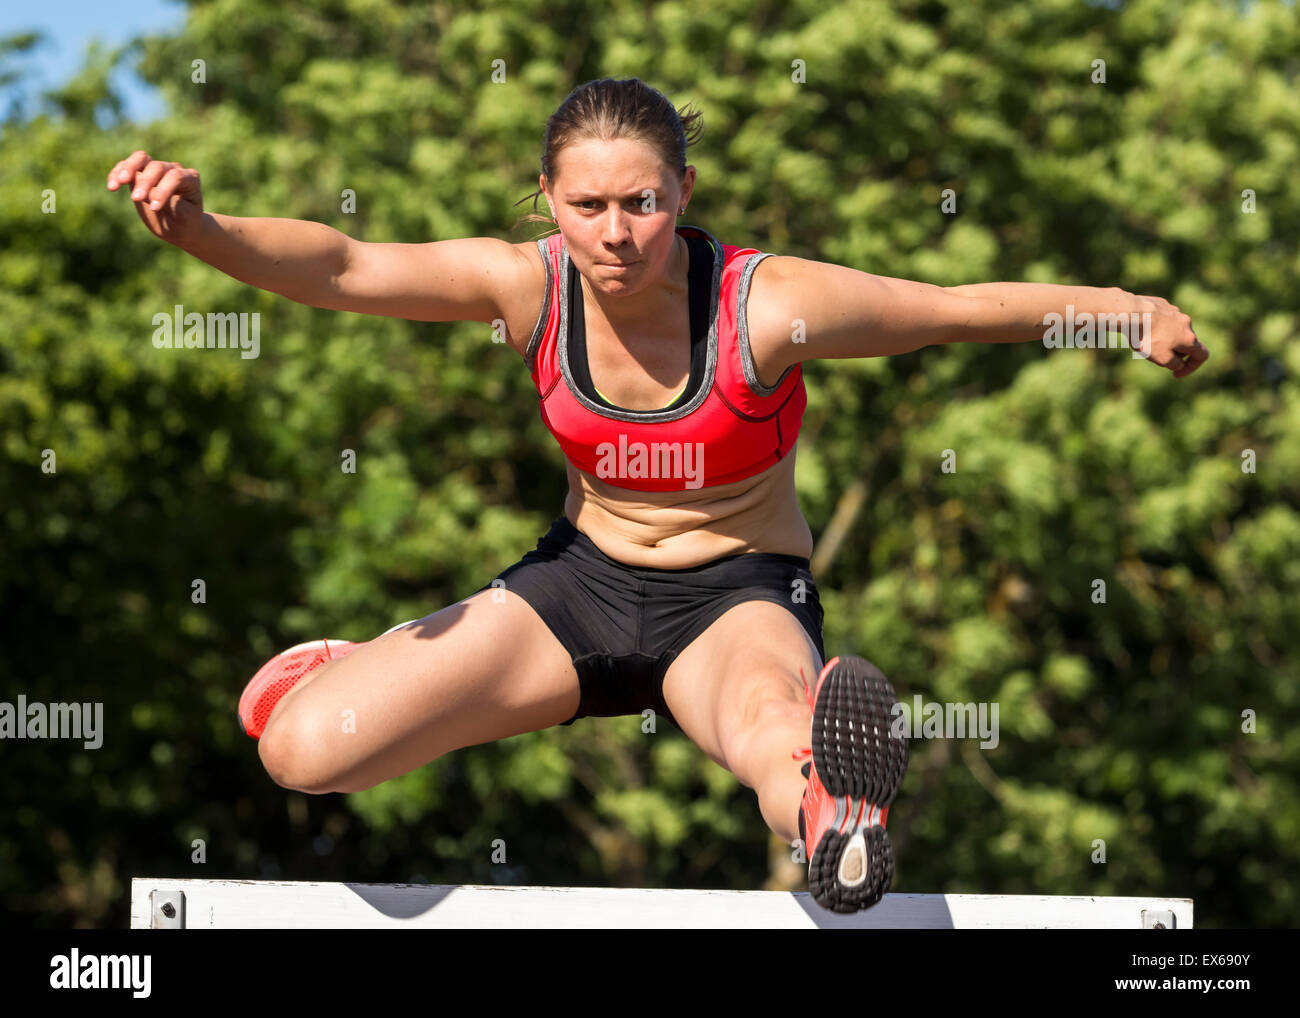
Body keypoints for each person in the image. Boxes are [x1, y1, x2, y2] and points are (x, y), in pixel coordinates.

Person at [106, 76, 1207, 916]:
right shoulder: (526, 284)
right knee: (303, 753)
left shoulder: (765, 306)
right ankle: (357, 667)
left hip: (732, 599)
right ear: (547, 201)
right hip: (575, 591)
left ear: (683, 191)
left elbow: (956, 308)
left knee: (772, 733)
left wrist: (1122, 308)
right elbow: (344, 267)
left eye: (640, 201)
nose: (616, 232)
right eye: (586, 205)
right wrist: (203, 231)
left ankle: (838, 821)